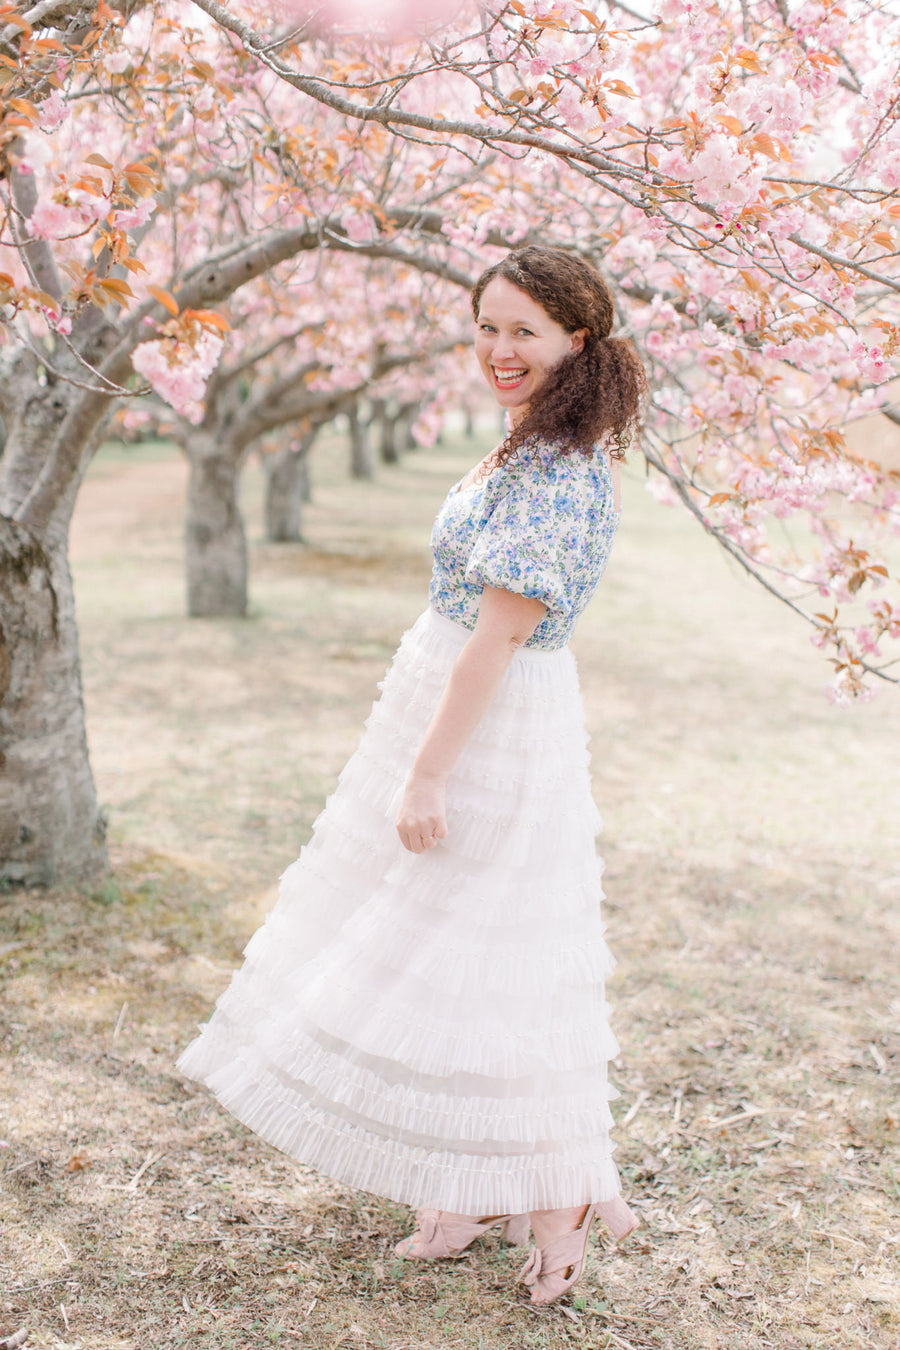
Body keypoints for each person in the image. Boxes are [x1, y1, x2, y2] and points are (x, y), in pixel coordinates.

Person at [177, 244, 647, 1307]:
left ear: (579, 338)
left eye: (524, 329)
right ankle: (469, 1178)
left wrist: (429, 775)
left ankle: (557, 1194)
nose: (499, 348)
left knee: (495, 958)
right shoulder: (530, 442)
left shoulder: (563, 468)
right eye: (486, 325)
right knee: (435, 949)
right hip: (444, 705)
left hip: (490, 728)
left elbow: (498, 638)